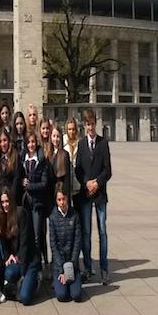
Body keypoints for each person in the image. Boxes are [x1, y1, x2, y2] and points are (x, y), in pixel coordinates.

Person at [75, 108, 112, 284]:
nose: (90, 127)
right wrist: (86, 183)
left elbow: (108, 170)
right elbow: (78, 170)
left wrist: (97, 182)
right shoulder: (81, 144)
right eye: (87, 124)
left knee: (102, 232)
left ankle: (104, 268)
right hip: (85, 195)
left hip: (100, 195)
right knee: (86, 232)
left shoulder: (103, 143)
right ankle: (88, 267)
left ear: (96, 123)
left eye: (92, 123)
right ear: (84, 125)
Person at [0, 187, 38, 305]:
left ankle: (34, 280)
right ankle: (19, 283)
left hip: (29, 259)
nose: (5, 205)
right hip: (16, 257)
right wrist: (8, 256)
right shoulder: (2, 217)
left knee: (24, 298)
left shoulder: (21, 213)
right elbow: (4, 243)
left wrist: (22, 271)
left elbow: (24, 243)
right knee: (9, 273)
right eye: (2, 202)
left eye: (7, 201)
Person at [22, 133, 53, 269]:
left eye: (33, 142)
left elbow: (44, 183)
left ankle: (38, 264)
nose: (31, 145)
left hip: (37, 203)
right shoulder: (23, 158)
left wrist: (29, 186)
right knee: (26, 233)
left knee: (37, 235)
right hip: (25, 203)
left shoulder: (42, 160)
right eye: (28, 142)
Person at [48, 184, 82, 302]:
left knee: (76, 295)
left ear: (67, 198)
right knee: (62, 296)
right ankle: (58, 280)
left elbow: (77, 242)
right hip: (59, 265)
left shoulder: (75, 215)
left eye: (63, 199)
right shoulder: (52, 218)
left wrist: (71, 266)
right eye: (59, 200)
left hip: (72, 264)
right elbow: (53, 245)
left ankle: (74, 280)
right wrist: (62, 269)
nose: (62, 202)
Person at [0, 130, 21, 206]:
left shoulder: (15, 157)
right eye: (0, 141)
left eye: (5, 140)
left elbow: (16, 180)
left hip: (12, 198)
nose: (3, 144)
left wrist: (10, 199)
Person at [46, 125, 71, 200]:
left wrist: (66, 196)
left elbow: (67, 178)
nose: (56, 139)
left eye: (58, 136)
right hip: (50, 192)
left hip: (61, 192)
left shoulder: (65, 154)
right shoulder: (48, 154)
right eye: (54, 136)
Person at [64, 117, 83, 211]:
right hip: (66, 184)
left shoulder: (81, 143)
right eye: (69, 129)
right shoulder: (63, 142)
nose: (71, 132)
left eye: (73, 129)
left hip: (77, 184)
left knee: (78, 213)